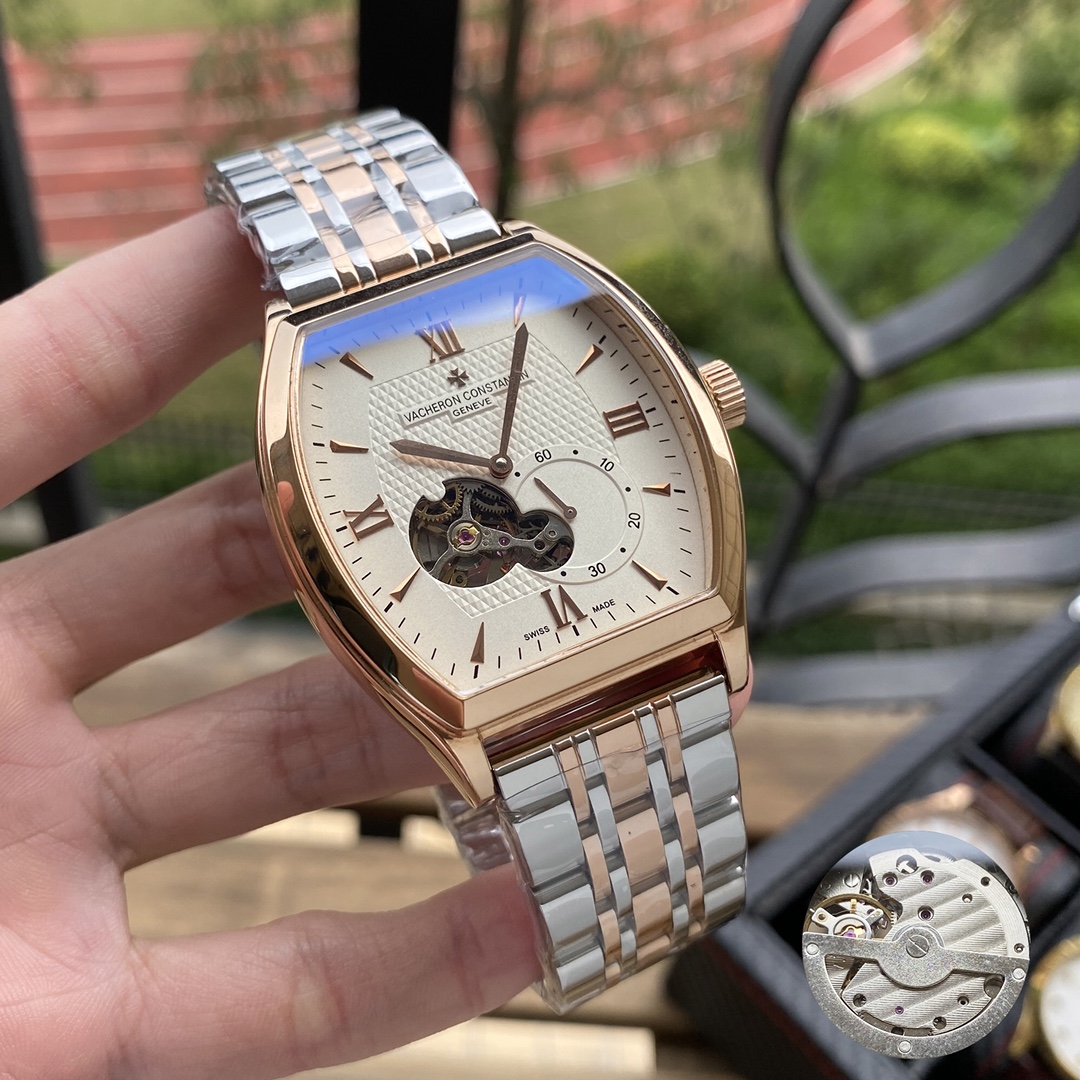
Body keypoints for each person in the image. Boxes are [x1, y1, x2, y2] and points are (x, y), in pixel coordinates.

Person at [0, 206, 752, 1079]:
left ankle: (595, 883)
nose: (496, 477)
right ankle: (582, 878)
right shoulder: (328, 389)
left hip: (674, 624)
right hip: (493, 692)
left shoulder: (540, 282)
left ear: (701, 405)